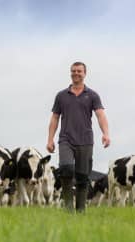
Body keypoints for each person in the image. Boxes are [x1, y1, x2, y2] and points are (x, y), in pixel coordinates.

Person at [46, 62, 110, 213]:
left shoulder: (92, 95)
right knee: (66, 169)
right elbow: (55, 118)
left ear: (85, 73)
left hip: (85, 141)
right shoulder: (61, 95)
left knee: (82, 177)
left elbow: (100, 115)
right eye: (73, 71)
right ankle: (68, 208)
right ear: (70, 73)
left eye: (79, 71)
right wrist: (50, 139)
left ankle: (81, 211)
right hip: (65, 140)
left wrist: (106, 133)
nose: (76, 73)